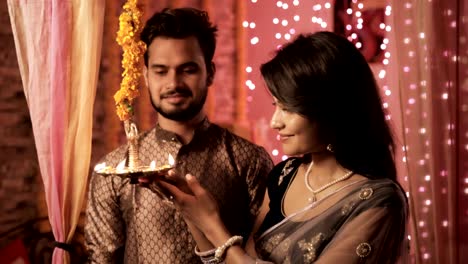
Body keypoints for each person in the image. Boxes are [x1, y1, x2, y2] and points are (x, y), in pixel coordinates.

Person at [161, 31, 409, 263]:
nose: (275, 122)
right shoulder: (284, 175)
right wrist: (192, 213)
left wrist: (213, 223)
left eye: (288, 108)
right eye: (275, 105)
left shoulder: (379, 201)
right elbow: (238, 259)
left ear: (332, 109)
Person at [85, 7, 273, 263]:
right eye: (161, 71)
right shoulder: (115, 172)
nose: (173, 83)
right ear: (147, 77)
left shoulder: (247, 160)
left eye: (187, 69)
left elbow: (265, 252)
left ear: (210, 72)